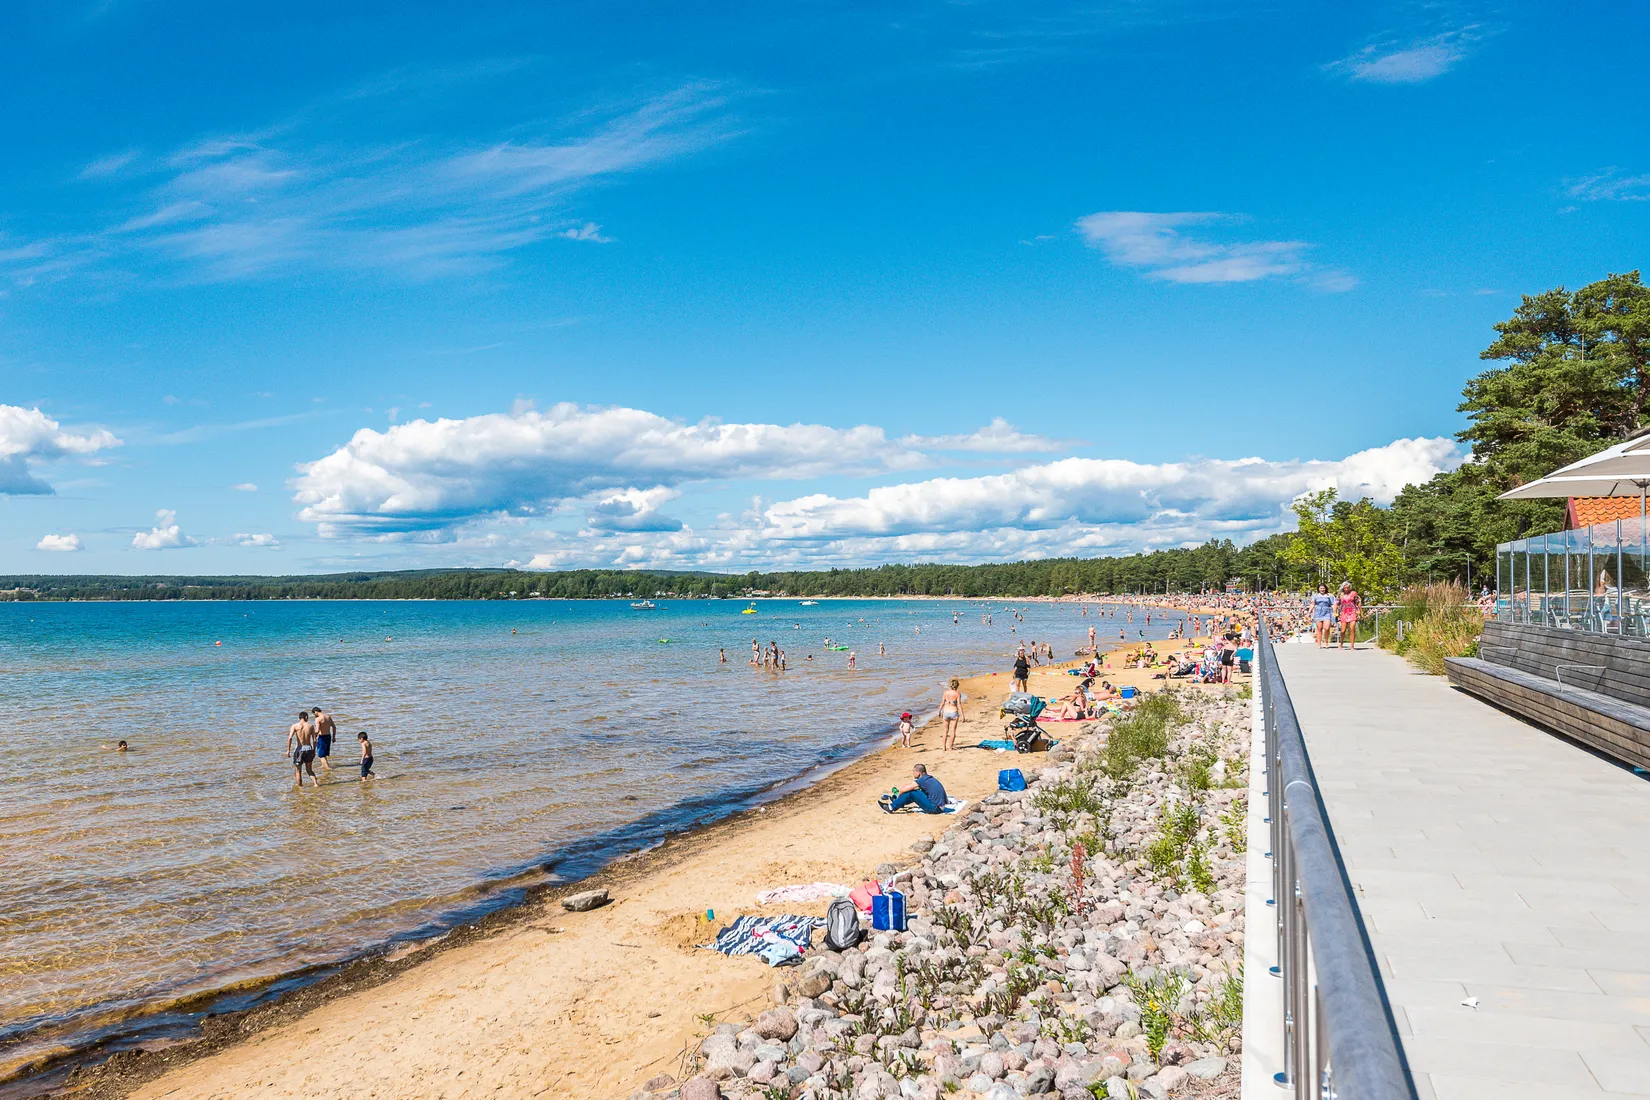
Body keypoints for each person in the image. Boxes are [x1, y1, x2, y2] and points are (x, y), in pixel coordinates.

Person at [881, 763, 947, 814]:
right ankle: (900, 803)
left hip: (935, 809)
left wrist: (898, 796)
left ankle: (890, 808)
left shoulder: (922, 780)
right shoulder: (929, 778)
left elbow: (902, 789)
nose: (913, 773)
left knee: (911, 793)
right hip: (940, 806)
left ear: (918, 773)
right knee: (915, 791)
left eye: (913, 771)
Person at [287, 711, 320, 789]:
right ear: (306, 717)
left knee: (298, 771)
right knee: (309, 770)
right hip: (309, 748)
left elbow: (290, 738)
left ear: (299, 718)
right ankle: (315, 784)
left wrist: (288, 750)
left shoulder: (295, 726)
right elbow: (315, 740)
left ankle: (300, 787)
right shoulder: (311, 726)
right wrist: (314, 750)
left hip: (299, 750)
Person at [939, 678, 964, 750]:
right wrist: (962, 715)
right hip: (954, 712)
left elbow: (942, 703)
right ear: (957, 686)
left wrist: (939, 711)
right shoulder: (958, 694)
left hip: (946, 712)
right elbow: (959, 704)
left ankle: (944, 747)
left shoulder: (945, 692)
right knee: (953, 730)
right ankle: (950, 747)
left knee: (945, 730)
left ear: (950, 685)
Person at [1338, 582, 1361, 651]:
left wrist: (1360, 611)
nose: (1346, 589)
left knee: (1352, 629)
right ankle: (1341, 643)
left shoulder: (1354, 593)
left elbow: (1358, 602)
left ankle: (1352, 645)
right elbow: (1337, 603)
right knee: (1343, 630)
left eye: (1348, 587)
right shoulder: (1340, 594)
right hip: (1344, 613)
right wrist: (1334, 612)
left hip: (1352, 612)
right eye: (1345, 588)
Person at [312, 706, 336, 773]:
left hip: (322, 737)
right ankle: (323, 765)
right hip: (328, 736)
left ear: (316, 712)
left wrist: (313, 735)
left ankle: (328, 769)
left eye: (314, 714)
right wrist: (334, 737)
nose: (314, 715)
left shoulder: (318, 719)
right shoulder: (328, 717)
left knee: (321, 755)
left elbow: (317, 730)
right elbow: (334, 727)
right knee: (324, 753)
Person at [1310, 584, 1334, 649]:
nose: (1322, 589)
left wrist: (1334, 612)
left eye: (1323, 588)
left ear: (1325, 589)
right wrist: (1309, 612)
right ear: (1318, 589)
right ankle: (1319, 643)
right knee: (1319, 628)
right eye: (1321, 588)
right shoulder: (1315, 596)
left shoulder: (1329, 596)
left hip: (1327, 612)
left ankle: (1326, 641)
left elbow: (1333, 604)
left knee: (1327, 627)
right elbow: (1313, 604)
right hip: (1318, 612)